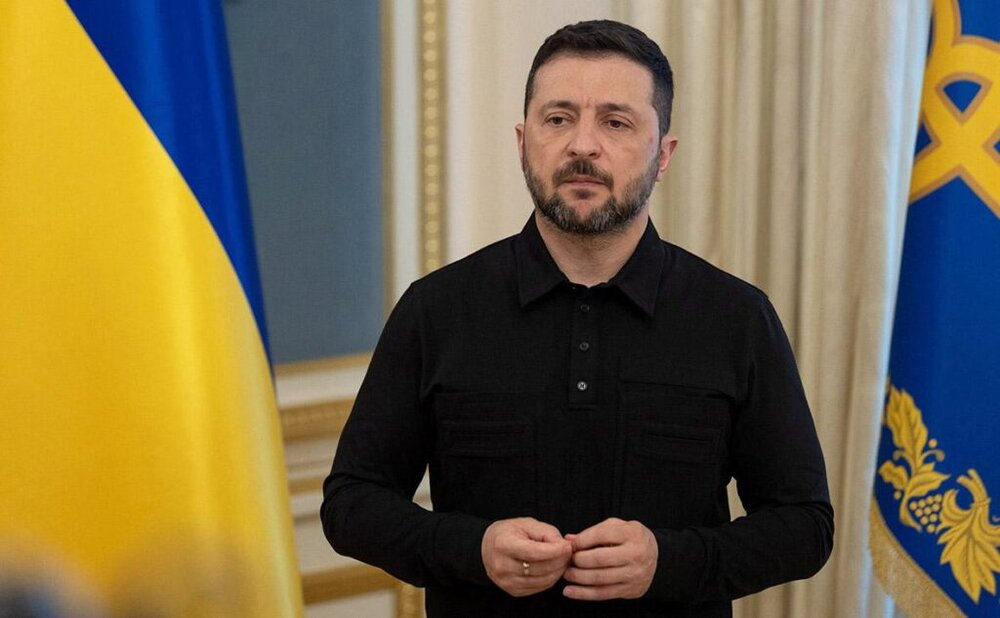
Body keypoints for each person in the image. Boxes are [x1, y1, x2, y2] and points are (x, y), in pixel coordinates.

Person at [322, 19, 833, 617]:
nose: (583, 145)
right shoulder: (435, 310)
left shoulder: (736, 317)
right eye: (559, 119)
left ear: (663, 155)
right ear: (523, 143)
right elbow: (351, 503)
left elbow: (805, 525)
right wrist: (472, 549)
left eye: (616, 122)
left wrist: (668, 561)